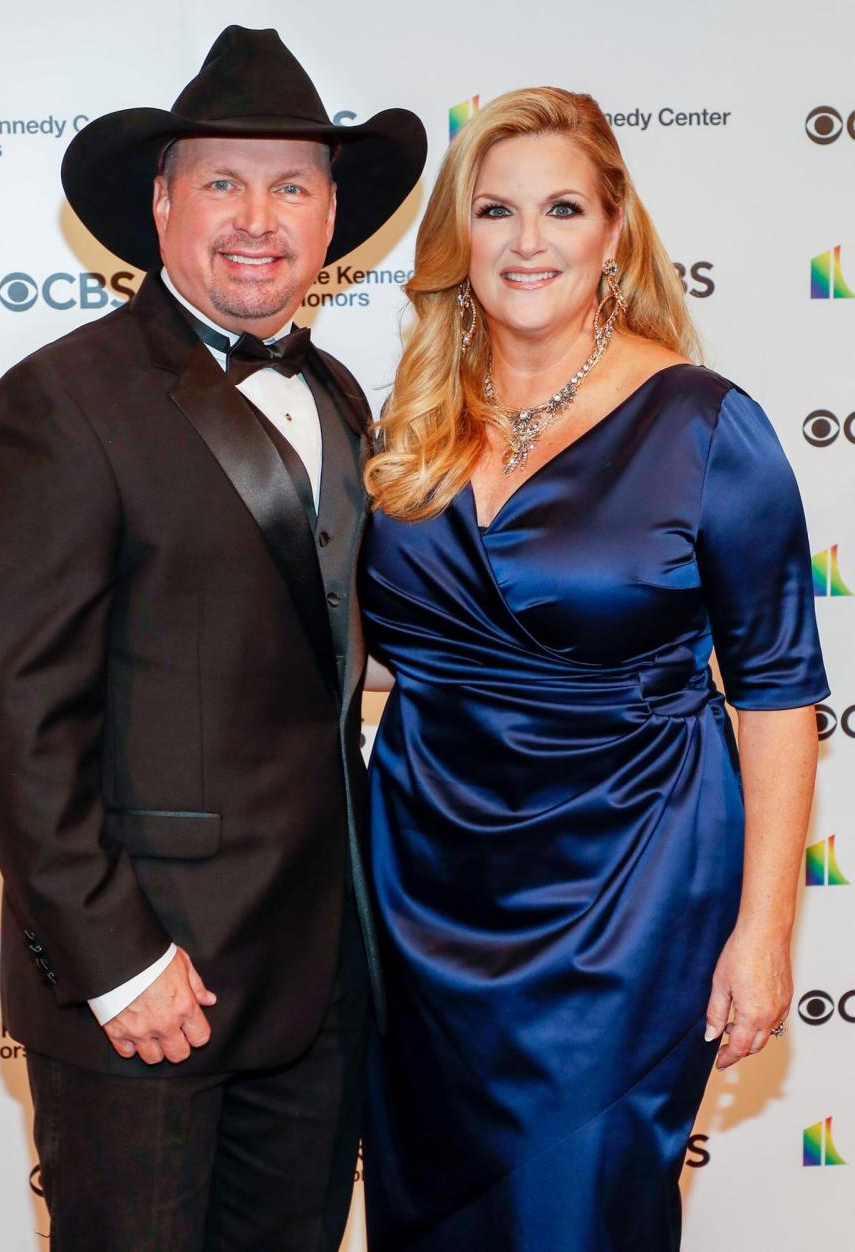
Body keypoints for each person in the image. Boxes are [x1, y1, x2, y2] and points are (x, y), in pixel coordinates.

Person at [0, 25, 424, 1252]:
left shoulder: (341, 396)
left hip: (322, 982)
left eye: (292, 186)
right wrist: (115, 959)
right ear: (161, 206)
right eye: (222, 180)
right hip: (153, 987)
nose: (258, 216)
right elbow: (13, 716)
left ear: (331, 221)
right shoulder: (57, 403)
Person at [359, 87, 827, 1251]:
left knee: (577, 1211)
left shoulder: (709, 428)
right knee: (430, 1210)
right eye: (496, 209)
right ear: (458, 236)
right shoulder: (410, 419)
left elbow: (776, 694)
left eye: (562, 208)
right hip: (418, 891)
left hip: (628, 893)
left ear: (615, 231)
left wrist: (764, 932)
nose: (527, 241)